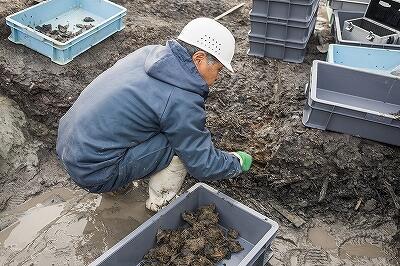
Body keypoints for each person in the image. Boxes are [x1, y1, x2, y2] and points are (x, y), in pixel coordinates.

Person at [56, 17, 253, 211]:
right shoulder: (182, 98)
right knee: (179, 147)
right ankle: (158, 207)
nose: (217, 77)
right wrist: (236, 161)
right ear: (199, 59)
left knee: (162, 124)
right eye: (218, 69)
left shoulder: (149, 53)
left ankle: (117, 186)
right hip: (94, 172)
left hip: (68, 146)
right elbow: (202, 164)